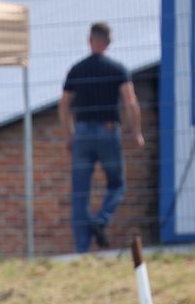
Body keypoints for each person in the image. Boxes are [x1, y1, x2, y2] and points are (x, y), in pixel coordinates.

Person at [59, 22, 144, 253]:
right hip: (108, 132)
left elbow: (64, 104)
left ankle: (81, 249)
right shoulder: (117, 69)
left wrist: (69, 135)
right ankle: (101, 220)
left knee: (80, 193)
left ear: (89, 41)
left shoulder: (76, 70)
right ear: (108, 42)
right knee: (117, 185)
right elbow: (130, 101)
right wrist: (135, 131)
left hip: (82, 134)